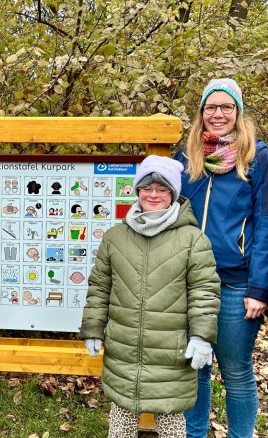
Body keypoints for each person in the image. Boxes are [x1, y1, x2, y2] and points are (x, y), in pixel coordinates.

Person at [81, 155, 221, 438]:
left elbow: (204, 292)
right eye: (147, 187)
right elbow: (99, 287)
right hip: (124, 347)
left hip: (171, 351)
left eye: (161, 189)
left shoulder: (193, 240)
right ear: (137, 191)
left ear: (173, 193)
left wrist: (201, 336)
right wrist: (93, 327)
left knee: (171, 420)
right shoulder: (115, 237)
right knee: (121, 418)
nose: (153, 194)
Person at [174, 78, 268, 438]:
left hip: (236, 283)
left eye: (226, 107)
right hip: (190, 282)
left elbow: (267, 225)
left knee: (235, 371)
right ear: (201, 112)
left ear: (238, 112)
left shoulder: (259, 159)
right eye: (211, 107)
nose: (218, 114)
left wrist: (260, 288)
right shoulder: (186, 157)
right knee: (195, 368)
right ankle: (194, 434)